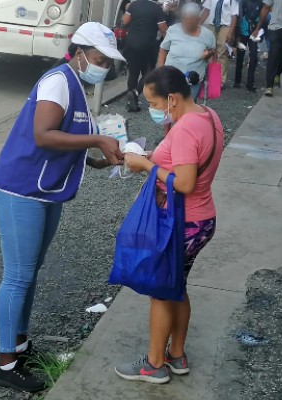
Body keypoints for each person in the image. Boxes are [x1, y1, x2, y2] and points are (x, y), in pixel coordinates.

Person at [0, 22, 125, 393]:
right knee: (18, 275)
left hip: (45, 189)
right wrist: (97, 139)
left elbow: (69, 141)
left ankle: (19, 345)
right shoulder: (58, 81)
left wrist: (98, 160)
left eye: (107, 62)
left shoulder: (76, 85)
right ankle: (6, 364)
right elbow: (43, 134)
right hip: (22, 189)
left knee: (30, 271)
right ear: (78, 51)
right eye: (99, 59)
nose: (104, 67)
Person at [114, 66, 224, 384]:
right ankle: (176, 355)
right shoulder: (207, 115)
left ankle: (153, 365)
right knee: (177, 286)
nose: (154, 109)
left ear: (172, 99)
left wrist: (147, 165)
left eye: (155, 103)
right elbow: (184, 162)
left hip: (184, 220)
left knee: (161, 292)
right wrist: (151, 157)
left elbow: (186, 182)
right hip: (201, 218)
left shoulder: (187, 127)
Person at [158, 2, 216, 99]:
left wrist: (213, 83)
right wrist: (160, 71)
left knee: (189, 107)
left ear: (198, 19)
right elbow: (163, 49)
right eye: (186, 19)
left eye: (192, 20)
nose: (188, 23)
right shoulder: (173, 30)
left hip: (193, 80)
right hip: (172, 77)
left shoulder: (207, 35)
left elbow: (213, 53)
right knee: (172, 105)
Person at [123, 0, 169, 112]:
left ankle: (131, 101)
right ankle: (141, 94)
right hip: (148, 44)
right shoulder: (156, 8)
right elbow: (162, 28)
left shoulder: (133, 5)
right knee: (150, 71)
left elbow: (125, 21)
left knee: (133, 72)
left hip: (131, 43)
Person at [200, 0, 240, 88]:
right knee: (211, 52)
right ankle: (212, 78)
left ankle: (219, 81)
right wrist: (198, 25)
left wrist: (230, 32)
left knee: (222, 52)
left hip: (225, 26)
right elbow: (207, 10)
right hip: (212, 25)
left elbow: (234, 17)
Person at [234, 0, 265, 91]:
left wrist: (258, 30)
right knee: (240, 57)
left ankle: (250, 83)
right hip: (244, 33)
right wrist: (238, 35)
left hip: (253, 34)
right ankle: (237, 81)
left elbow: (262, 17)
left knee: (253, 57)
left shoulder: (260, 3)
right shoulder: (243, 2)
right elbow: (238, 17)